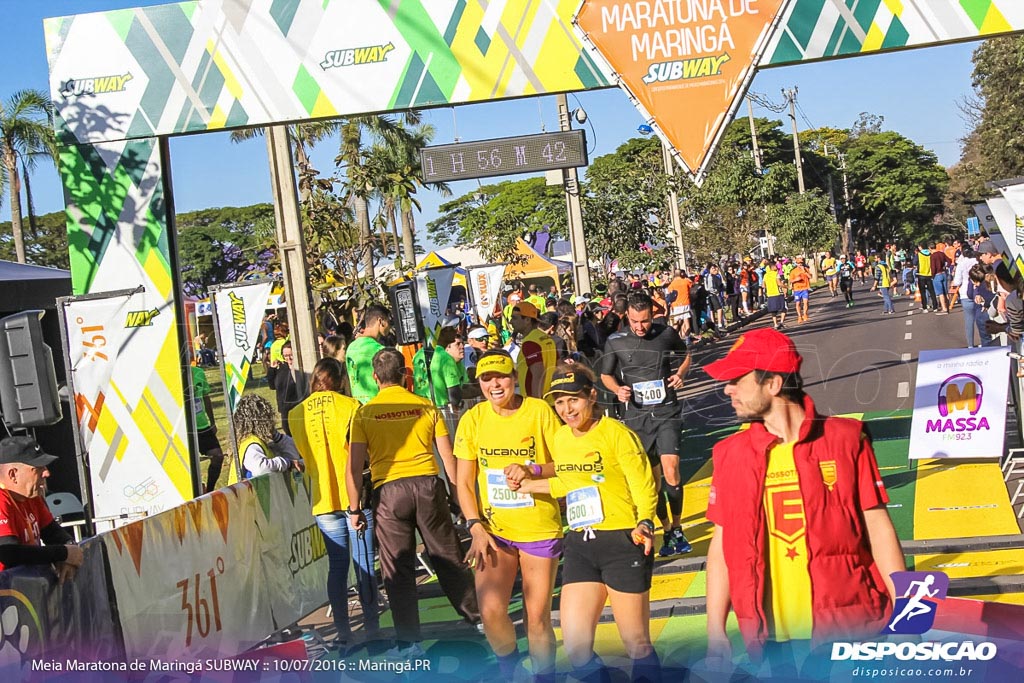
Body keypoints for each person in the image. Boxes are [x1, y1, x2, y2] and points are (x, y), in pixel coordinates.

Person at [702, 328, 905, 675]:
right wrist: (714, 631)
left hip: (848, 626)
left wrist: (907, 612)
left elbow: (878, 529)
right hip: (771, 640)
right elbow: (722, 548)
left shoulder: (845, 440)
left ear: (773, 384)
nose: (727, 389)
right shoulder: (729, 455)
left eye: (738, 379)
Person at [513, 365, 661, 683]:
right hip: (580, 544)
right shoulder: (561, 438)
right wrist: (526, 483)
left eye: (574, 400)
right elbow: (567, 484)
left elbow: (644, 485)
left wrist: (645, 522)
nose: (567, 410)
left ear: (592, 397)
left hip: (623, 541)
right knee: (578, 649)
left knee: (636, 643)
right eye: (560, 403)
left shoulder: (617, 434)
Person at [346, 348, 480, 657]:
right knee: (448, 555)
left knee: (398, 567)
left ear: (375, 378)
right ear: (406, 376)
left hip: (389, 491)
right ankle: (478, 618)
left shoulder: (364, 413)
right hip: (428, 484)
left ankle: (409, 643)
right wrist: (462, 499)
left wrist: (354, 509)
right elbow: (449, 459)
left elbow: (353, 468)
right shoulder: (425, 406)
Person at [454, 351, 562, 682]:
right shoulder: (473, 419)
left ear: (514, 377)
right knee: (489, 611)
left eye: (501, 377)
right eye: (486, 379)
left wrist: (531, 469)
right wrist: (475, 526)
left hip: (538, 527)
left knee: (537, 618)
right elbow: (463, 483)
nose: (494, 385)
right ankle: (511, 671)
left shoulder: (538, 411)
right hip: (493, 530)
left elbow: (564, 463)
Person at [288, 359, 378, 648]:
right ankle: (373, 626)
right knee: (364, 563)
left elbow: (302, 453)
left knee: (337, 567)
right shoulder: (351, 407)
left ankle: (343, 630)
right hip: (355, 497)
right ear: (340, 379)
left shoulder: (295, 413)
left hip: (322, 497)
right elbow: (361, 454)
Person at [600, 292, 693, 557]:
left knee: (671, 469)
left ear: (653, 315)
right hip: (637, 419)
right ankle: (664, 528)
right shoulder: (616, 341)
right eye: (634, 322)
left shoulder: (665, 334)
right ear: (626, 317)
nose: (640, 327)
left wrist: (679, 374)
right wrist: (618, 390)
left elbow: (686, 354)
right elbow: (606, 375)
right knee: (652, 481)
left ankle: (677, 527)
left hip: (666, 412)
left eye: (645, 321)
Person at [0, 437, 84, 582]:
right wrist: (63, 553)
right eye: (37, 468)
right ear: (13, 474)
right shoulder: (2, 500)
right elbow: (9, 554)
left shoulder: (32, 497)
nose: (47, 473)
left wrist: (70, 551)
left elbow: (53, 533)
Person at [234, 394, 304, 477]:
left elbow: (293, 457)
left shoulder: (260, 443)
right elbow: (261, 469)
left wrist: (278, 437)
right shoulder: (252, 445)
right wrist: (287, 463)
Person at [509, 302, 557, 400]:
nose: (511, 322)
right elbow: (559, 366)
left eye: (514, 318)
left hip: (539, 401)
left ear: (527, 320)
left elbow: (537, 375)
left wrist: (536, 404)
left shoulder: (530, 342)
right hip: (552, 398)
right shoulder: (546, 338)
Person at [412, 327, 469, 408]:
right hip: (441, 409)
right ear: (442, 333)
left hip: (421, 408)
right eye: (451, 328)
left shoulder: (417, 355)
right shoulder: (445, 357)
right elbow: (454, 398)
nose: (455, 331)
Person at [346, 305, 392, 404]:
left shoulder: (350, 348)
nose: (390, 326)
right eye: (389, 321)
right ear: (381, 321)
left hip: (358, 407)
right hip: (378, 406)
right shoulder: (380, 351)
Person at [190, 363, 225, 492]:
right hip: (185, 428)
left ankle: (209, 491)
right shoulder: (173, 375)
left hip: (202, 425)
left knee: (218, 456)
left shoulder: (198, 372)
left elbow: (206, 397)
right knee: (189, 463)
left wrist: (212, 422)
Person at [266, 341, 308, 435]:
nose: (288, 358)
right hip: (285, 409)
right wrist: (272, 369)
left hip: (299, 407)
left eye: (291, 355)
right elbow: (272, 386)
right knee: (288, 432)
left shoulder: (302, 368)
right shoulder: (281, 369)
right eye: (285, 355)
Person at [763, 257, 787, 329]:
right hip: (778, 293)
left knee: (773, 311)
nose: (776, 267)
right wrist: (786, 287)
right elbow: (779, 283)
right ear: (771, 267)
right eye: (774, 266)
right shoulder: (776, 274)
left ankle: (775, 324)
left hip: (770, 294)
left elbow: (763, 285)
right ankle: (782, 322)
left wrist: (768, 288)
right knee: (784, 308)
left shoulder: (765, 276)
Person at [787, 257, 812, 323]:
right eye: (798, 263)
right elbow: (790, 280)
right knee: (798, 303)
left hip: (804, 288)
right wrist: (796, 279)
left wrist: (805, 272)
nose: (800, 264)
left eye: (801, 263)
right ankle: (799, 316)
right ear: (796, 264)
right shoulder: (793, 271)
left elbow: (810, 277)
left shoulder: (806, 269)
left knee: (806, 302)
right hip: (797, 289)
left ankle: (805, 314)